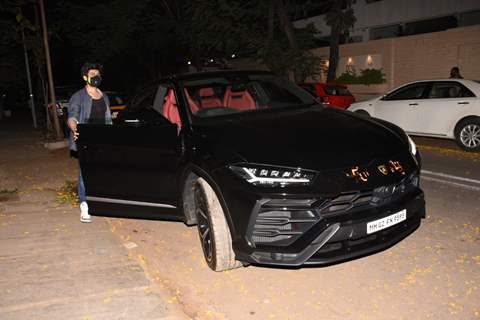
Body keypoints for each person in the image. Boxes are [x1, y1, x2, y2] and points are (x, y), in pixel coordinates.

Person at [67, 63, 112, 223]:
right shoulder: (78, 96)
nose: (96, 76)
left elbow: (108, 120)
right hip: (85, 139)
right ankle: (84, 206)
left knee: (101, 172)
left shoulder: (104, 96)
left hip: (103, 140)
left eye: (98, 74)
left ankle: (99, 203)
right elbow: (72, 116)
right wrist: (74, 128)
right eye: (92, 73)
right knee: (84, 174)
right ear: (85, 77)